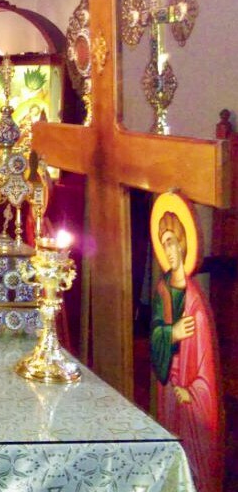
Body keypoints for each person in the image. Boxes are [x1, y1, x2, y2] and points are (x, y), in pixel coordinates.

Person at [150, 211, 223, 492]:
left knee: (193, 457)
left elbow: (206, 371)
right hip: (168, 385)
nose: (168, 251)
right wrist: (171, 333)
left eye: (171, 242)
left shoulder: (195, 304)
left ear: (182, 244)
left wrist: (191, 392)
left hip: (187, 391)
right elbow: (155, 332)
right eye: (163, 244)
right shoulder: (163, 289)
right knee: (171, 439)